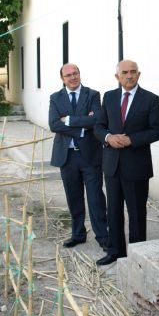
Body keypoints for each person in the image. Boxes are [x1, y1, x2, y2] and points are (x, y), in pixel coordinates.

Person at [93, 60, 159, 265]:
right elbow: (99, 126)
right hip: (112, 165)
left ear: (139, 75)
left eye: (133, 72)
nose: (129, 76)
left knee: (137, 213)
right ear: (117, 76)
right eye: (125, 72)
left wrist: (131, 139)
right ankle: (115, 251)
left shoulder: (150, 99)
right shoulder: (109, 97)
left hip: (136, 166)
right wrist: (108, 137)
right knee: (113, 211)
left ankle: (137, 255)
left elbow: (157, 131)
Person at [48, 63, 108, 249]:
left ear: (80, 74)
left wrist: (68, 120)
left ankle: (103, 237)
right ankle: (78, 234)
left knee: (95, 198)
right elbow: (53, 124)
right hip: (67, 157)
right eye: (68, 75)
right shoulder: (55, 97)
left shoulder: (92, 95)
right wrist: (81, 129)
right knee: (73, 197)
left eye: (75, 73)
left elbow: (97, 119)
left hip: (90, 155)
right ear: (62, 79)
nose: (73, 77)